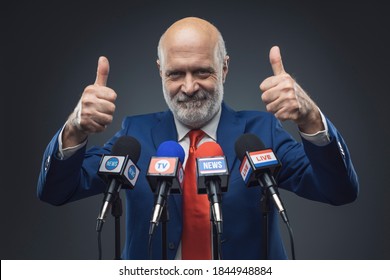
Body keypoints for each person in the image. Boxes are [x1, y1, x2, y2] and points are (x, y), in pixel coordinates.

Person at [37, 17, 359, 260]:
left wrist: (310, 117)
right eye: (175, 74)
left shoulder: (260, 133)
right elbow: (56, 191)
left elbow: (339, 190)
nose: (189, 87)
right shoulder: (134, 135)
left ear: (225, 68)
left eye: (202, 72)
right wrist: (74, 128)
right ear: (160, 71)